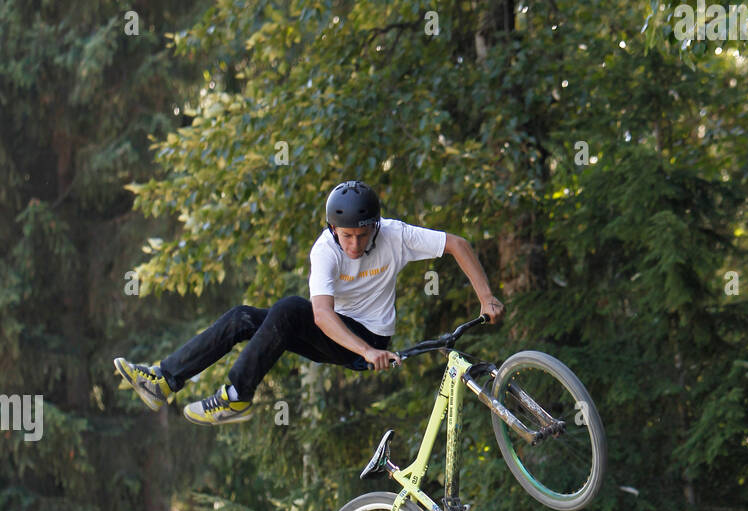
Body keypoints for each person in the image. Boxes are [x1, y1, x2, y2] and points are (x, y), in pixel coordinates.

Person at [114, 180, 504, 425]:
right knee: (243, 319)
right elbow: (321, 315)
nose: (354, 245)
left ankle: (235, 397)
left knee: (286, 309)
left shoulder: (395, 235)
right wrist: (363, 351)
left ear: (375, 227)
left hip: (370, 339)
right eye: (345, 236)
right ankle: (165, 380)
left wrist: (486, 298)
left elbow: (457, 245)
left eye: (362, 236)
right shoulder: (325, 252)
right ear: (332, 229)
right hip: (341, 335)